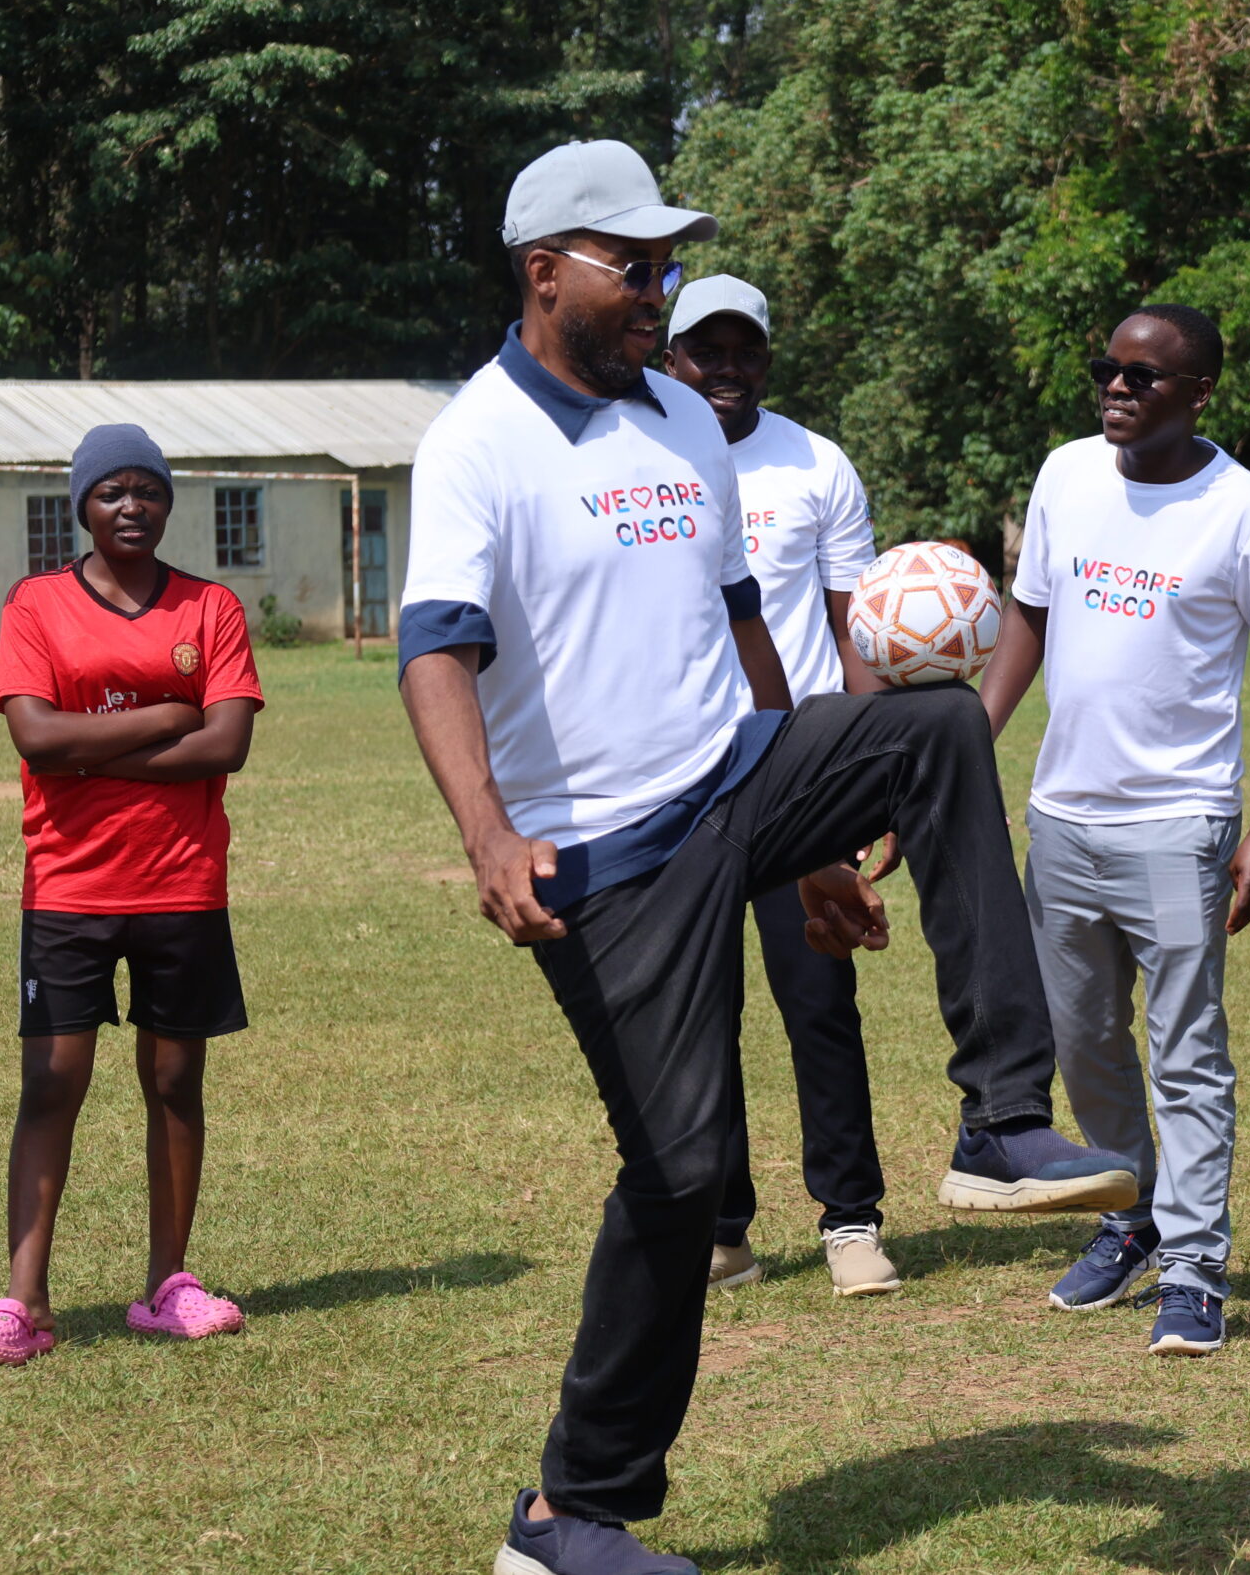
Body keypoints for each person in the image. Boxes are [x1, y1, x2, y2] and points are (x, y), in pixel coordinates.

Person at [399, 139, 1134, 1575]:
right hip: (604, 853)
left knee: (929, 729)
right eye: (639, 266)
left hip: (734, 767)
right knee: (675, 1177)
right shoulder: (475, 441)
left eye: (669, 263)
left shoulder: (680, 417)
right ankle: (567, 1518)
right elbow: (435, 649)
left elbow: (743, 623)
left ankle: (999, 1112)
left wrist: (800, 836)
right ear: (544, 268)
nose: (661, 295)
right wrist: (488, 834)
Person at [979, 303, 1250, 1359]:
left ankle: (1193, 1267)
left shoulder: (1246, 513)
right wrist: (967, 740)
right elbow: (1030, 615)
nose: (1117, 389)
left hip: (1180, 827)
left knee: (1186, 1051)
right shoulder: (1065, 476)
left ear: (1198, 394)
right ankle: (1129, 1217)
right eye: (1108, 370)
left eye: (1143, 376)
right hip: (1063, 819)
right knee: (1081, 1042)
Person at [0, 425, 262, 1365]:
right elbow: (37, 740)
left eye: (149, 491)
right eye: (111, 492)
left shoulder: (211, 607)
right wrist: (171, 712)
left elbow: (228, 744)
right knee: (51, 1082)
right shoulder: (37, 604)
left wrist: (102, 745)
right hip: (68, 882)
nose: (132, 507)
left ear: (168, 503)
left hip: (181, 882)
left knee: (175, 1081)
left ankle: (169, 1282)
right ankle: (23, 1302)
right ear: (80, 506)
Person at [662, 273, 899, 1298]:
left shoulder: (816, 463)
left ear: (765, 355)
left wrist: (865, 775)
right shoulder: (642, 456)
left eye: (741, 348)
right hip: (672, 772)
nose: (723, 367)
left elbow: (858, 627)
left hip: (796, 773)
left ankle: (850, 1223)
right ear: (667, 354)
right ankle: (721, 1230)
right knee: (692, 1012)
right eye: (702, 349)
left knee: (818, 997)